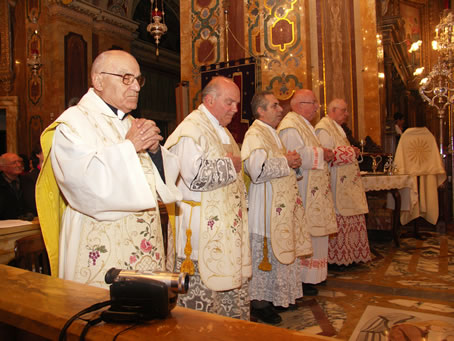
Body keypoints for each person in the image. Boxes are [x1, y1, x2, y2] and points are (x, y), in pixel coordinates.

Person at [36, 50, 182, 288]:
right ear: (99, 80)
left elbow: (157, 184)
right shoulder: (73, 123)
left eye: (138, 79)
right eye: (126, 78)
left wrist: (155, 152)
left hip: (144, 245)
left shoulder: (130, 122)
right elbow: (82, 185)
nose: (136, 86)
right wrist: (130, 147)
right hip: (100, 246)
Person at [164, 76, 251, 320]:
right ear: (210, 100)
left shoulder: (221, 131)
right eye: (230, 102)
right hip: (200, 228)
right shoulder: (192, 130)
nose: (235, 109)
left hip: (225, 225)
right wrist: (229, 165)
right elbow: (195, 177)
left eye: (236, 103)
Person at [241, 91, 312, 324]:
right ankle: (259, 304)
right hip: (265, 209)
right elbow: (257, 170)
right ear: (260, 110)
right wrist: (286, 162)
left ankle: (272, 298)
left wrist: (294, 164)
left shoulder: (272, 134)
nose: (280, 109)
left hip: (279, 207)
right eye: (274, 106)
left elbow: (282, 167)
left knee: (278, 251)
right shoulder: (255, 134)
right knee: (265, 255)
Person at [277, 89, 337, 296]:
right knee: (305, 233)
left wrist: (323, 153)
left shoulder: (305, 125)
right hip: (302, 189)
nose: (316, 107)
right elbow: (295, 156)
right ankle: (302, 279)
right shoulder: (290, 126)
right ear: (299, 105)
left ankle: (312, 277)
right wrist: (323, 153)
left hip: (314, 190)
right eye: (313, 103)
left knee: (315, 232)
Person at [315, 99, 371, 268]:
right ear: (332, 110)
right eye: (343, 110)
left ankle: (350, 256)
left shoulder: (337, 128)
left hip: (346, 183)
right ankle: (336, 259)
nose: (346, 114)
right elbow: (326, 154)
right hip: (334, 182)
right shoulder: (323, 128)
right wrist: (350, 151)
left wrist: (351, 151)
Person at [0, 153, 35, 220]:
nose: (19, 165)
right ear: (2, 167)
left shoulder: (27, 181)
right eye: (14, 163)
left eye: (20, 162)